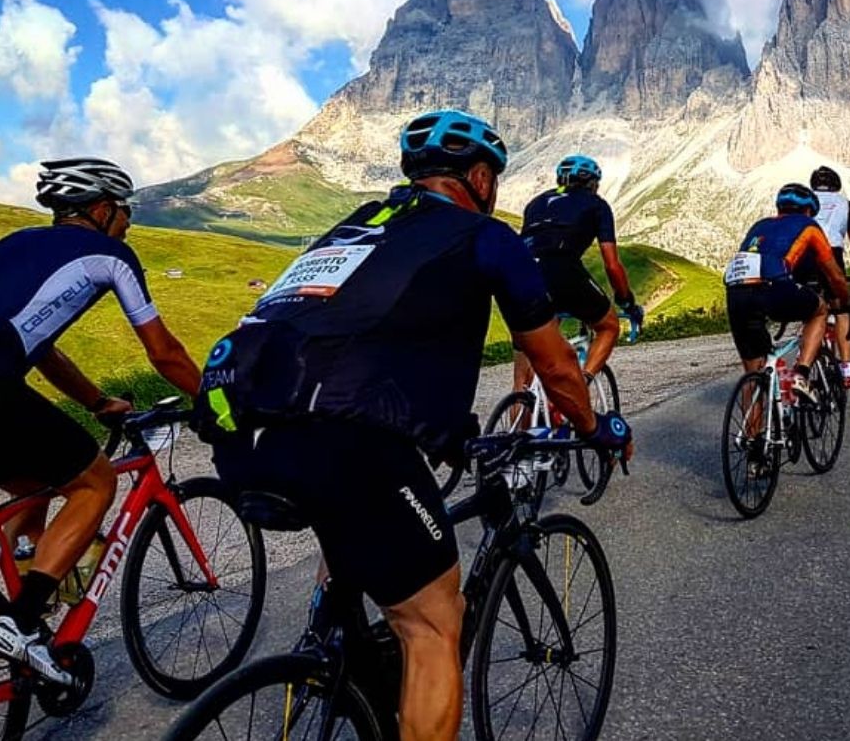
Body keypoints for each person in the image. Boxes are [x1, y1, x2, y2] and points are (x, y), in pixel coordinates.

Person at [202, 110, 631, 741]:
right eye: (495, 180)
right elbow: (555, 366)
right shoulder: (484, 236)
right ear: (480, 177)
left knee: (354, 531)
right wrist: (595, 429)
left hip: (252, 438)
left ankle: (332, 645)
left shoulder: (350, 229)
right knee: (432, 622)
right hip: (356, 445)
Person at [0, 158, 201, 684]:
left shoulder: (14, 244)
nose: (129, 223)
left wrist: (97, 401)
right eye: (125, 213)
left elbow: (42, 351)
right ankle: (22, 620)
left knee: (36, 483)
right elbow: (164, 352)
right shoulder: (112, 254)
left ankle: (12, 582)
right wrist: (219, 404)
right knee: (95, 480)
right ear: (102, 210)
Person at [516, 154, 643, 390]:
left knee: (523, 381)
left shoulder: (535, 203)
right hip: (561, 269)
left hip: (520, 274)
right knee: (609, 327)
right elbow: (612, 265)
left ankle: (522, 422)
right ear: (593, 183)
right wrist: (626, 300)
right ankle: (579, 389)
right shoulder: (597, 205)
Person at [724, 184, 850, 403]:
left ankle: (751, 437)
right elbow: (835, 276)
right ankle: (801, 375)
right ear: (810, 211)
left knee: (753, 375)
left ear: (779, 208)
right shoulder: (810, 226)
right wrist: (846, 301)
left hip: (736, 291)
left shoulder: (759, 225)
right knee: (819, 310)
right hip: (773, 287)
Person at [810, 166, 850, 388]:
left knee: (811, 309)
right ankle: (846, 368)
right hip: (831, 256)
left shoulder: (804, 201)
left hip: (804, 258)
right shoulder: (844, 204)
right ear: (837, 185)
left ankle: (805, 360)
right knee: (843, 309)